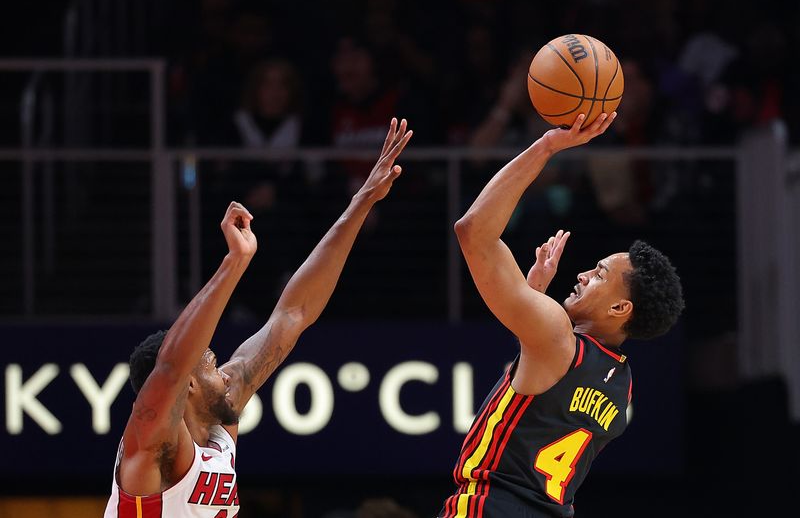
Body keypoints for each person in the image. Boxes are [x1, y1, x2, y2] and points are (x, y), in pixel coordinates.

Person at [103, 118, 413, 517]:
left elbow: (294, 312)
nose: (228, 373)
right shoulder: (152, 444)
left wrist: (361, 202)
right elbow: (170, 367)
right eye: (213, 365)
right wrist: (233, 264)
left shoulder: (219, 422)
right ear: (191, 384)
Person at [439, 113, 684, 518]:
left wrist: (547, 146)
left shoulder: (555, 335)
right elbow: (541, 387)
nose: (584, 274)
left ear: (620, 308)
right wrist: (531, 295)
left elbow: (474, 231)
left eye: (599, 274)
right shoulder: (620, 388)